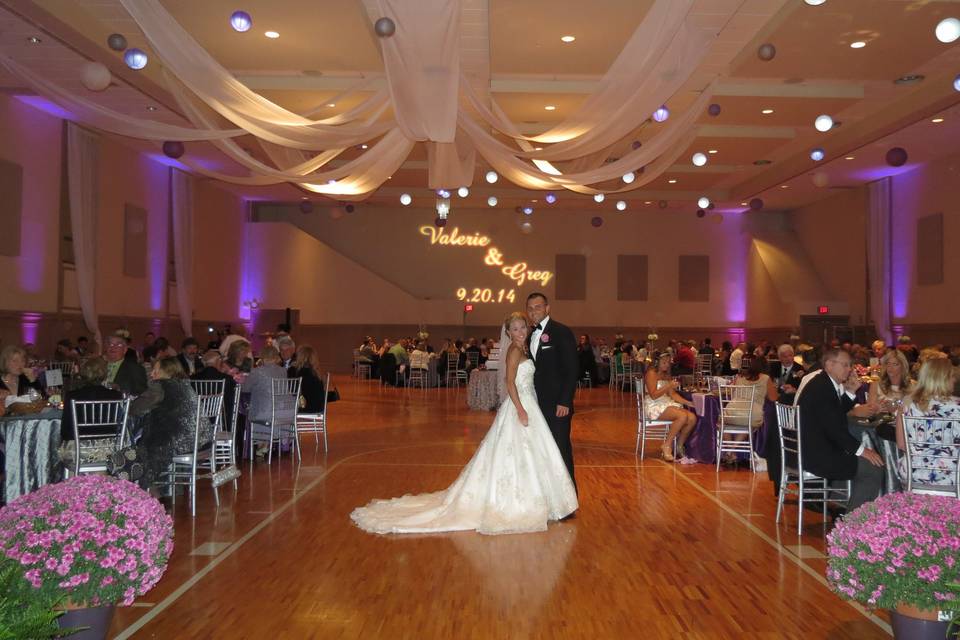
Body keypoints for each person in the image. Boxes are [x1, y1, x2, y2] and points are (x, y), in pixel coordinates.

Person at [350, 311, 577, 535]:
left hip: (530, 403)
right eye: (515, 329)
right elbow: (510, 383)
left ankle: (540, 500)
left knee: (530, 455)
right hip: (522, 406)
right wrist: (520, 410)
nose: (520, 332)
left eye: (522, 327)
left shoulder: (523, 349)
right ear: (508, 332)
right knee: (518, 454)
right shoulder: (515, 350)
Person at [797, 348, 884, 511]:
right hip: (819, 455)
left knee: (866, 462)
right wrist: (863, 451)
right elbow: (835, 430)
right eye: (845, 365)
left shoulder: (824, 382)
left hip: (818, 448)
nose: (849, 369)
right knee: (873, 469)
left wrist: (851, 391)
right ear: (829, 365)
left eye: (849, 365)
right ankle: (853, 522)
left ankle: (841, 508)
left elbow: (835, 412)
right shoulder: (822, 388)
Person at [117, 357, 203, 490]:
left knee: (121, 450)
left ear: (166, 371)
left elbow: (133, 410)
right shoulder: (184, 385)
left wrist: (129, 403)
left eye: (155, 371)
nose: (151, 374)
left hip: (169, 442)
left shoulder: (159, 387)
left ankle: (133, 491)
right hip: (189, 438)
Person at [526, 293, 580, 493]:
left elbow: (571, 369)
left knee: (561, 450)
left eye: (538, 307)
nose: (534, 312)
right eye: (530, 308)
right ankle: (549, 497)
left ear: (547, 308)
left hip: (558, 405)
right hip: (536, 404)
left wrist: (565, 401)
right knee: (542, 452)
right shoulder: (529, 334)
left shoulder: (561, 332)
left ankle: (569, 499)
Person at [895, 358, 959, 488]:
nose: (955, 380)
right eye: (952, 376)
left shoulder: (906, 403)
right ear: (943, 379)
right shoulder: (957, 406)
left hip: (913, 473)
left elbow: (901, 444)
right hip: (953, 474)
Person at [59, 357, 124, 468]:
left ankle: (75, 481)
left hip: (79, 451)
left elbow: (66, 431)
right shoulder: (115, 395)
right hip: (109, 450)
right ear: (105, 373)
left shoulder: (72, 396)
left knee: (65, 449)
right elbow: (119, 427)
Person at [643, 352, 697, 463]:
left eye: (668, 362)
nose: (667, 365)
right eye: (664, 362)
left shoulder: (666, 375)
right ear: (657, 362)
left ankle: (679, 445)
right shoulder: (651, 373)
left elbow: (672, 394)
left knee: (692, 418)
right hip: (654, 404)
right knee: (682, 416)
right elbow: (653, 395)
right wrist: (668, 385)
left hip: (666, 403)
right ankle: (666, 445)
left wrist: (688, 403)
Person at [289, 345, 326, 413]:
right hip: (318, 408)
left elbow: (291, 391)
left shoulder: (294, 371)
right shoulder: (317, 373)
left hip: (303, 408)